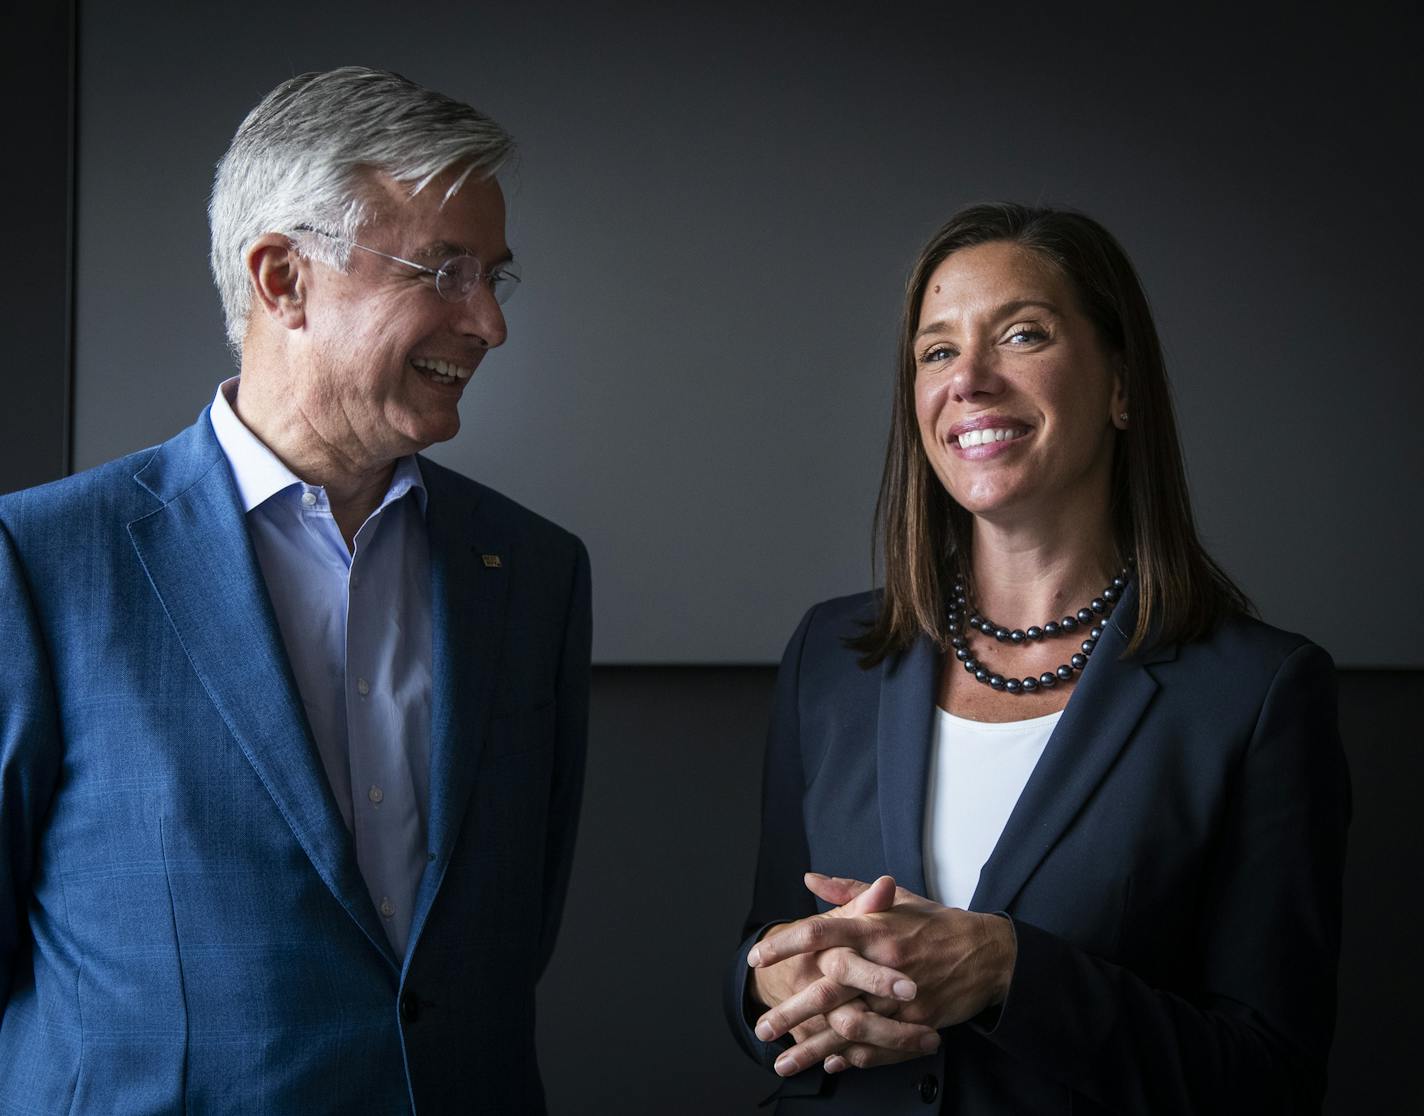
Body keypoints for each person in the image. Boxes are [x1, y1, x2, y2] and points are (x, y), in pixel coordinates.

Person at [0, 67, 589, 1113]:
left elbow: (510, 937)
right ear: (281, 280)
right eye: (444, 271)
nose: (488, 324)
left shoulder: (533, 572)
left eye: (495, 278)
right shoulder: (39, 562)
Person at [726, 203, 1349, 1113]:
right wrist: (769, 987)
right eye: (937, 351)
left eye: (1021, 335)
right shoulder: (831, 654)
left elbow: (1270, 1079)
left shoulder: (1255, 694)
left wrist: (1012, 972)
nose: (969, 381)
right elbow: (761, 956)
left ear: (1122, 386)